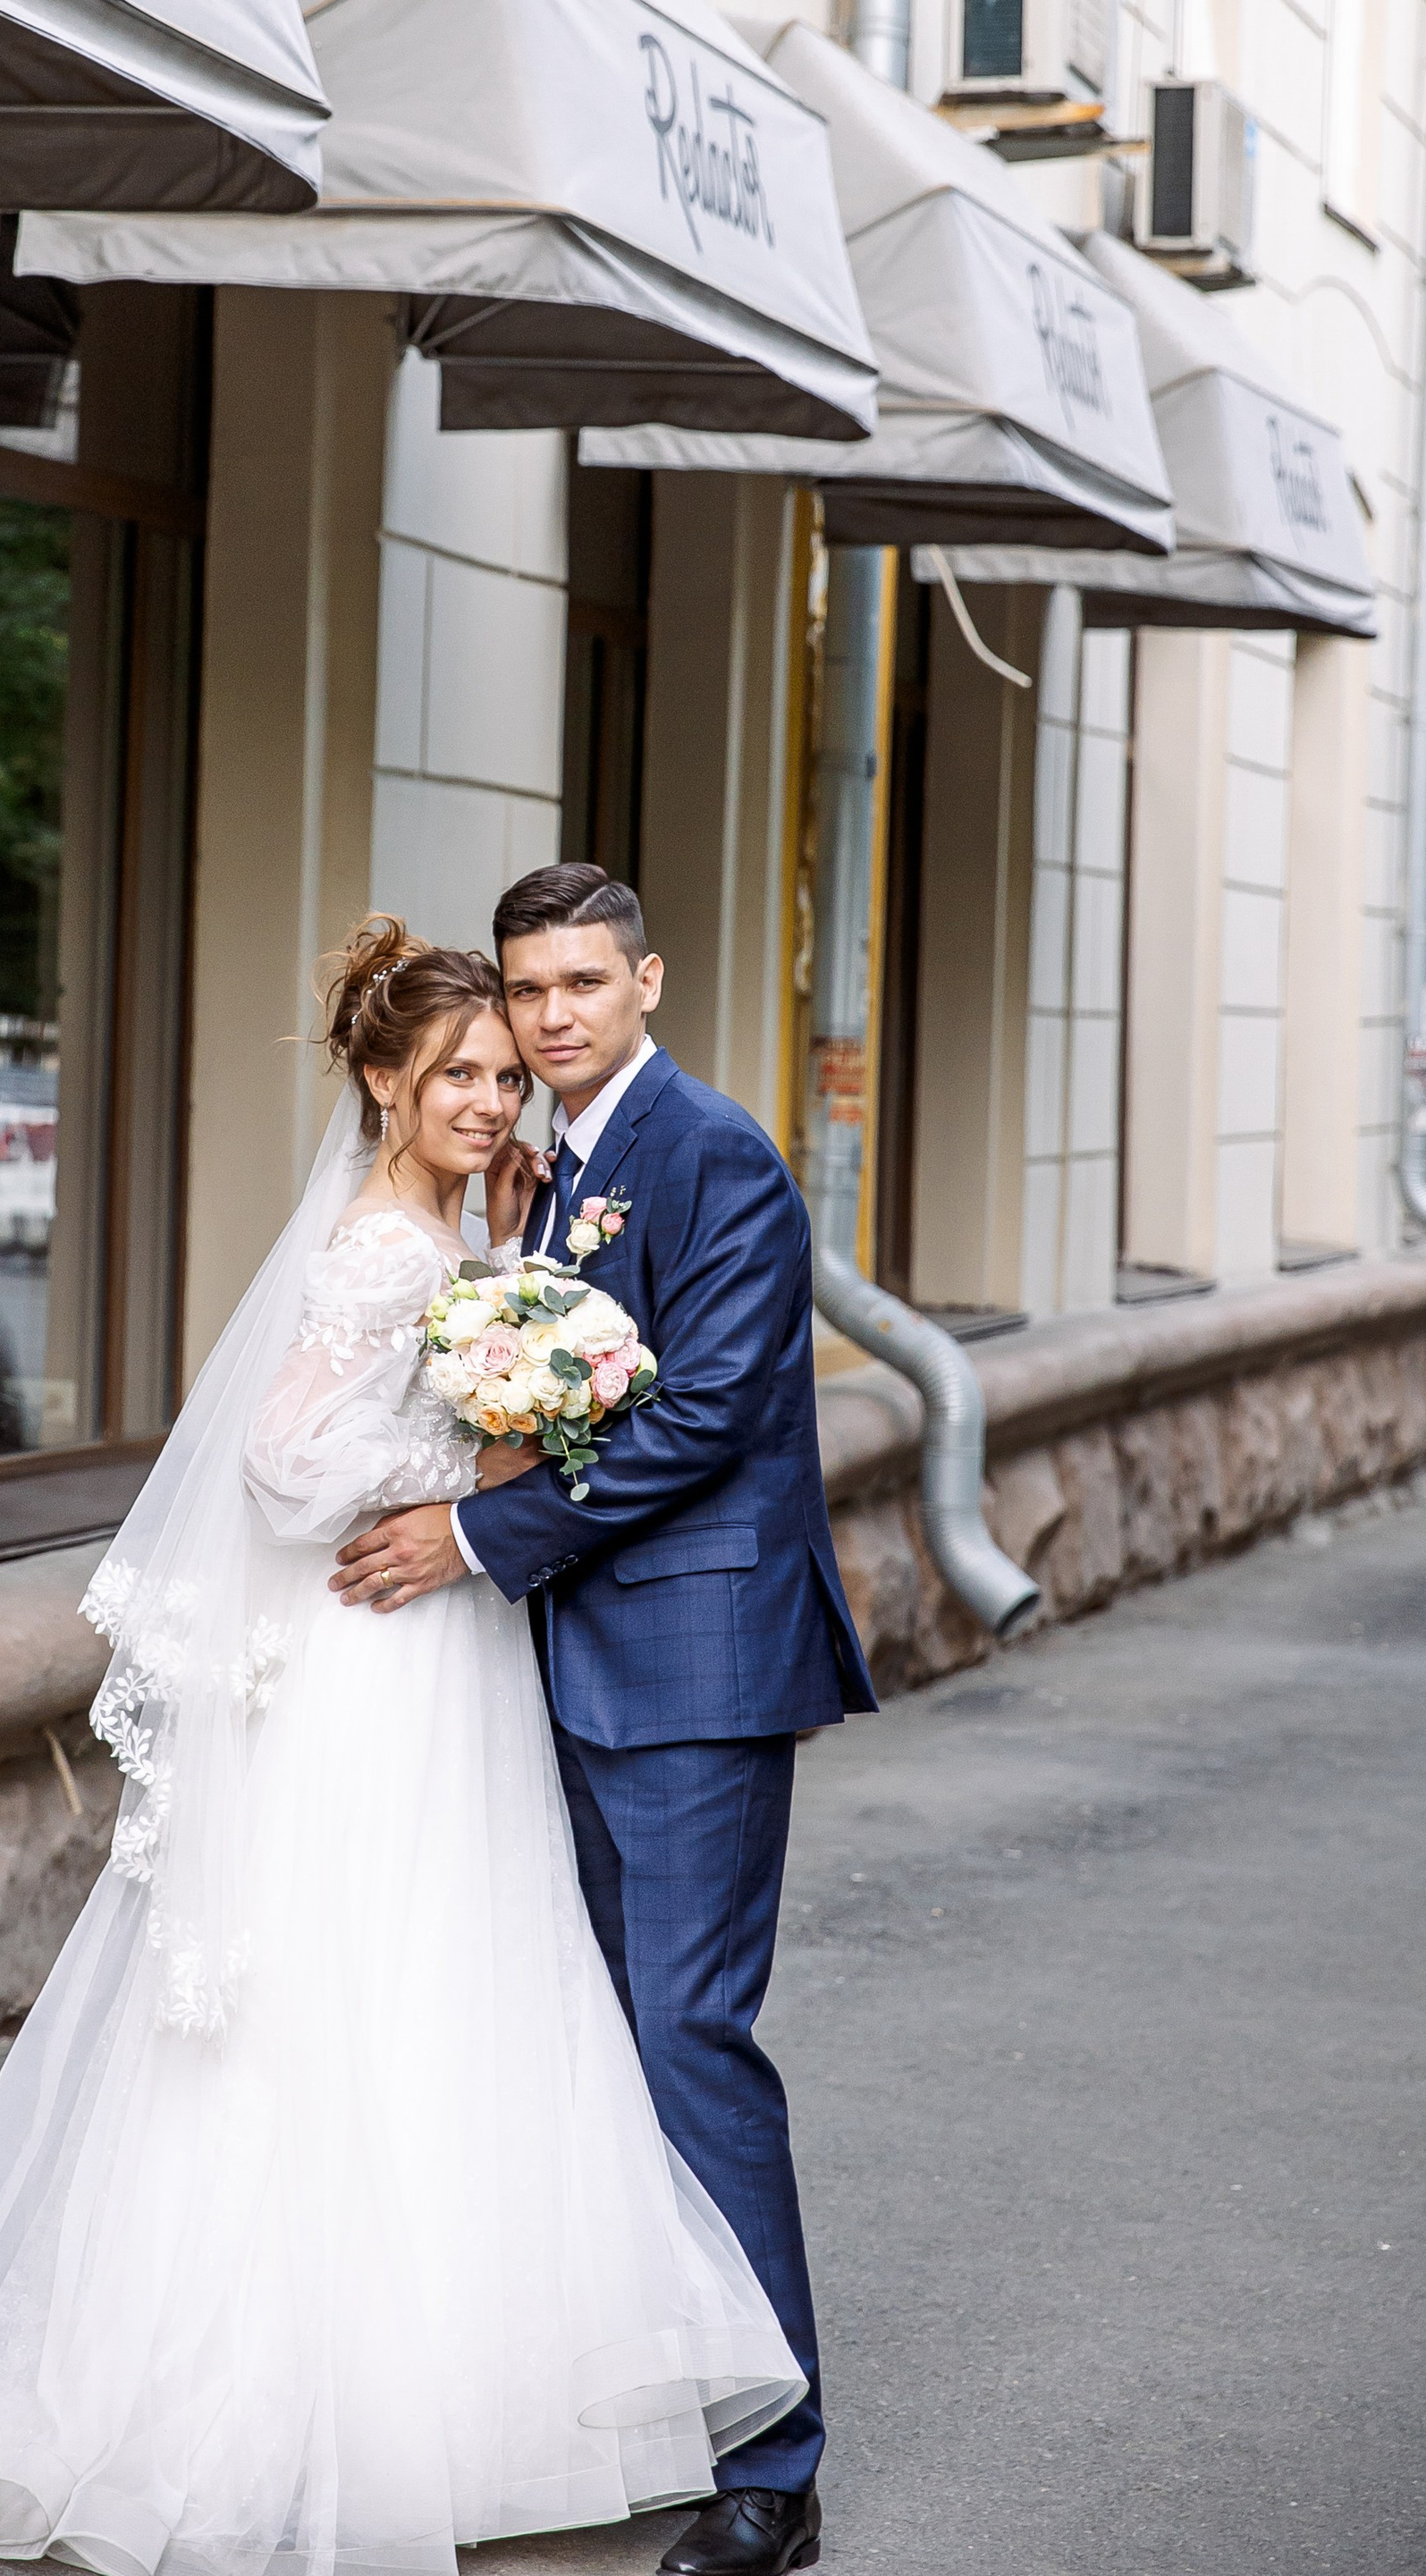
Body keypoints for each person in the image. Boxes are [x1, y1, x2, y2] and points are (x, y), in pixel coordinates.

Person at [0, 917, 805, 2572]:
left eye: (512, 1063)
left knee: (502, 2005)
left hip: (483, 1645)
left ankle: (631, 2432)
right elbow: (286, 1468)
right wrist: (459, 1490)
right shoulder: (385, 1245)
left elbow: (686, 1408)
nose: (498, 1094)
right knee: (377, 1998)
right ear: (381, 1079)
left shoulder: (588, 1180)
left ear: (642, 984)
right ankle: (343, 2415)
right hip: (397, 1647)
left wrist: (489, 1492)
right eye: (465, 1071)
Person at [334, 863, 876, 2576]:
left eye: (585, 983)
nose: (553, 1016)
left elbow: (708, 1408)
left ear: (649, 977)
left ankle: (773, 2469)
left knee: (689, 2040)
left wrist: (480, 1535)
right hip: (558, 1667)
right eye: (529, 988)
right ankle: (652, 2395)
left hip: (694, 1670)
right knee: (584, 2042)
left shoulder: (712, 1151)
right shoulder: (545, 1164)